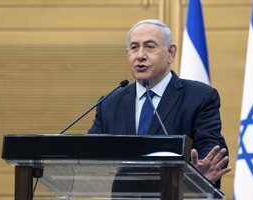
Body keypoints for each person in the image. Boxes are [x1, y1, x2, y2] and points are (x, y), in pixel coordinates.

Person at [88, 19, 231, 188]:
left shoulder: (200, 97)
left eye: (149, 46)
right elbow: (89, 151)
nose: (140, 55)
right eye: (134, 47)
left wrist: (201, 169)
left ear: (170, 53)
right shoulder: (110, 103)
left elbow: (210, 146)